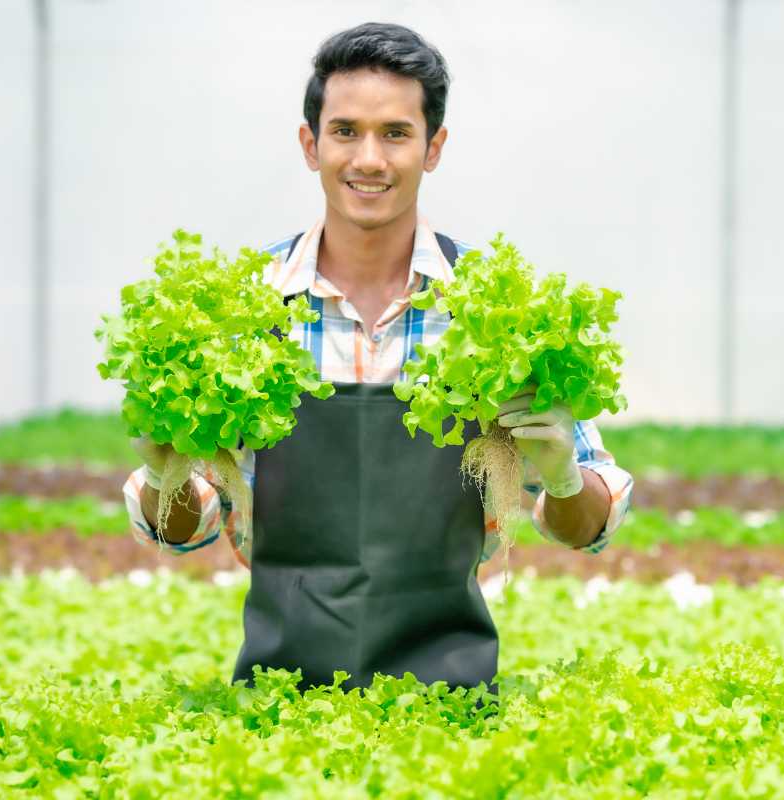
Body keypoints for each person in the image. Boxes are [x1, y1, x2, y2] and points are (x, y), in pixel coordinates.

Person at [122, 22, 633, 696]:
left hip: (451, 697)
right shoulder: (241, 314)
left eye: (395, 133)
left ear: (434, 148)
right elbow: (183, 533)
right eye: (345, 132)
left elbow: (588, 531)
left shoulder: (491, 314)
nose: (369, 159)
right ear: (310, 145)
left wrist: (564, 478)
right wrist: (166, 480)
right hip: (281, 695)